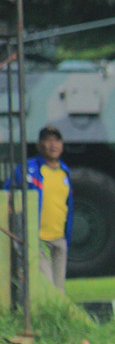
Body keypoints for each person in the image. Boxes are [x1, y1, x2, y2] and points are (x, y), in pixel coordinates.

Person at [5, 125, 73, 292]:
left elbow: (67, 205)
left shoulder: (64, 172)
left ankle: (56, 318)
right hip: (38, 239)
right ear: (39, 145)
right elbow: (7, 192)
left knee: (59, 291)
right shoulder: (29, 168)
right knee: (47, 287)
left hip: (59, 238)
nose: (53, 145)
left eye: (56, 140)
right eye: (48, 140)